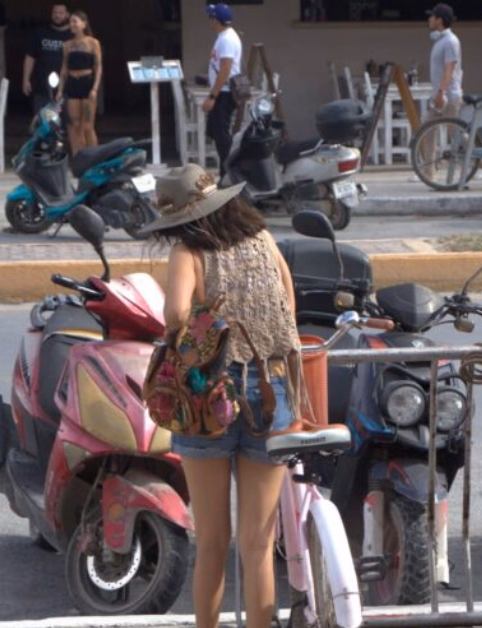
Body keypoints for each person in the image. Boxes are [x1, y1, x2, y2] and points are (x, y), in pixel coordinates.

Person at [140, 164, 344, 628]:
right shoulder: (263, 240)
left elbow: (174, 315)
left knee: (213, 542)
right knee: (257, 543)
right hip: (271, 390)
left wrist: (201, 323)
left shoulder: (188, 252)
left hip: (206, 397)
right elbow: (288, 305)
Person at [418, 3, 463, 185]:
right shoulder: (440, 41)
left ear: (440, 20)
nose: (429, 19)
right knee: (428, 129)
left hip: (448, 96)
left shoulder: (450, 41)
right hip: (439, 96)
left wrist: (441, 91)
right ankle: (429, 171)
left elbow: (449, 69)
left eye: (432, 16)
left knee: (455, 132)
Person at [204, 3, 243, 174]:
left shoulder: (226, 39)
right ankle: (225, 168)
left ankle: (229, 170)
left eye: (211, 17)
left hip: (225, 93)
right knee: (214, 130)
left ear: (216, 20)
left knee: (221, 132)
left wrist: (212, 97)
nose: (209, 21)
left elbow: (225, 69)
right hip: (223, 90)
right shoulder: (224, 36)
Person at [56, 10, 101, 155]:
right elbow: (64, 68)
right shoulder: (67, 45)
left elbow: (98, 67)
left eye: (75, 21)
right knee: (75, 124)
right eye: (70, 22)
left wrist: (95, 88)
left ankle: (94, 156)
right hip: (72, 84)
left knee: (88, 125)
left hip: (87, 84)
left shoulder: (93, 43)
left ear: (84, 24)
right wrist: (60, 90)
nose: (72, 24)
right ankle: (80, 155)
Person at [22, 3, 72, 116]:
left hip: (67, 89)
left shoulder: (72, 35)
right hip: (42, 88)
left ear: (67, 15)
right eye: (55, 12)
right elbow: (30, 57)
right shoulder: (40, 33)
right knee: (42, 122)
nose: (57, 16)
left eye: (61, 13)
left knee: (67, 122)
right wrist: (26, 79)